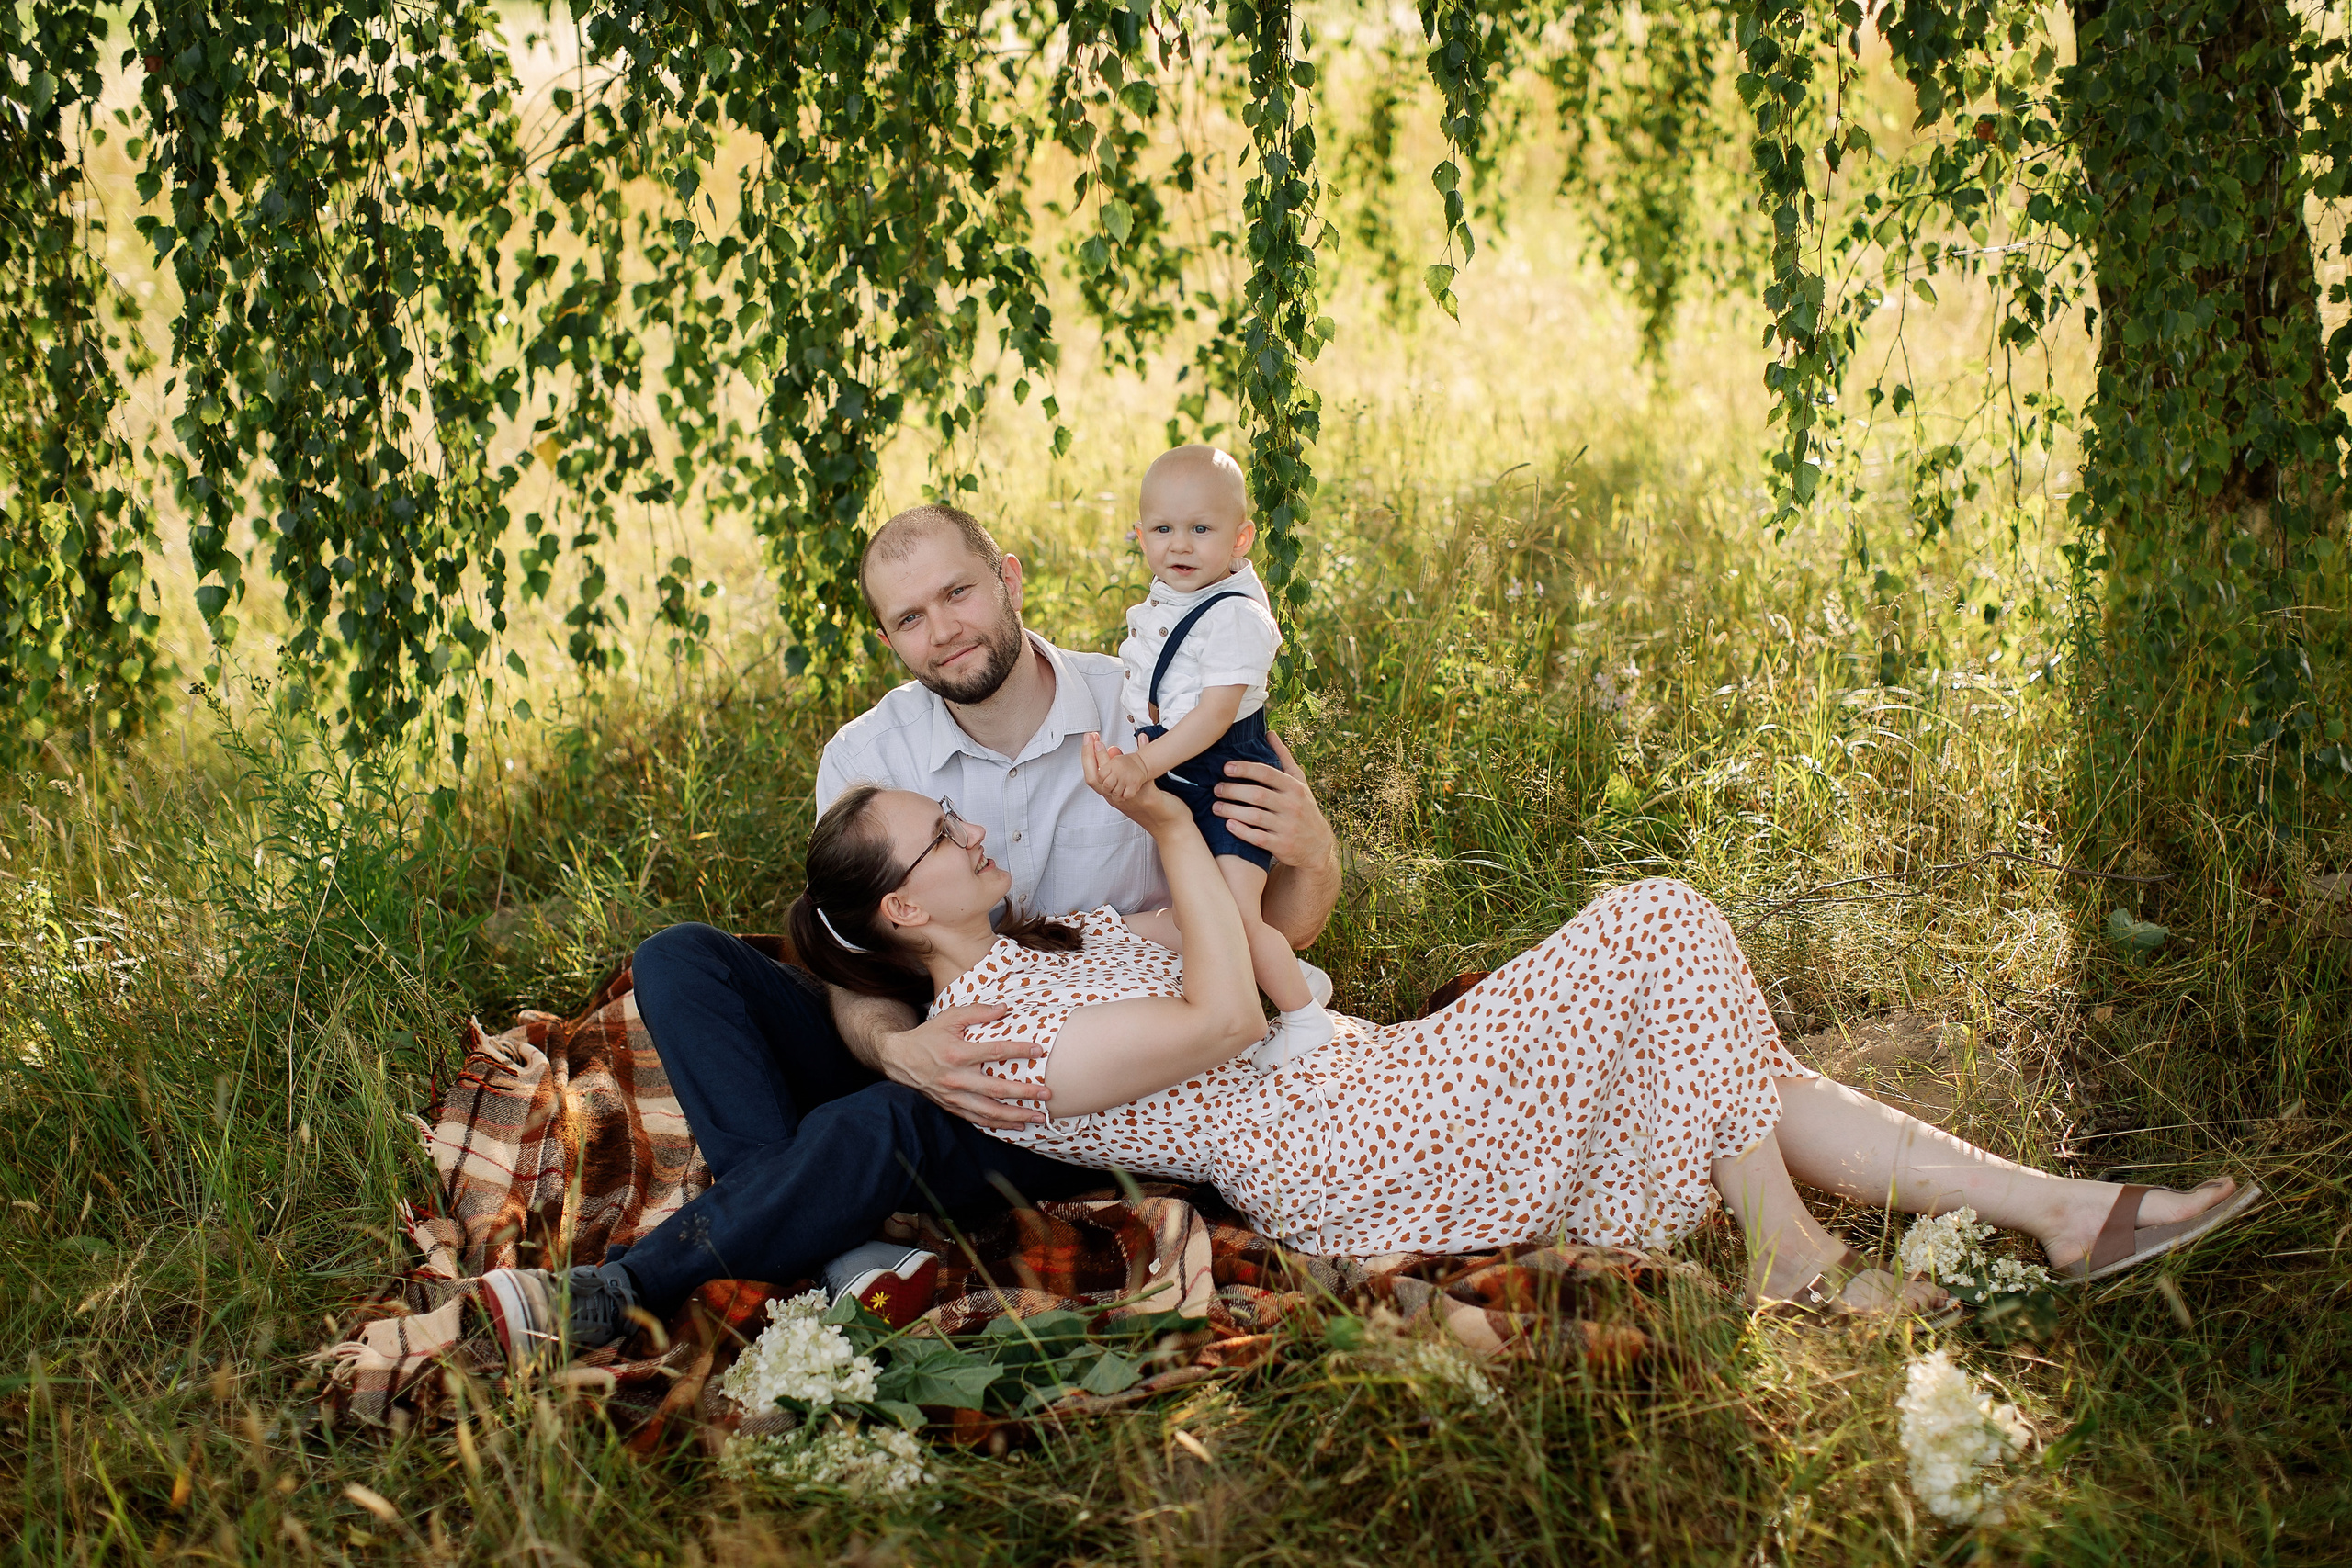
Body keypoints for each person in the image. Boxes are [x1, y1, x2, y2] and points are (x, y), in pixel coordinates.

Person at [787, 752, 2261, 1319]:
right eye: (943, 831)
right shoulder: (989, 1046)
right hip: (1350, 1153)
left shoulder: (1059, 940)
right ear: (907, 906)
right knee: (1663, 921)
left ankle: (2067, 1213)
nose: (978, 826)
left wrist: (1258, 854)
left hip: (1364, 1074)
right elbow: (1231, 1006)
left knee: (1728, 1057)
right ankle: (1796, 1261)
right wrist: (1168, 828)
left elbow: (1273, 961)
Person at [476, 503, 1345, 1359]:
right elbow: (856, 964)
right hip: (933, 1029)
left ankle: (675, 1270)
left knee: (882, 1123)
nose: (943, 630)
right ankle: (828, 1246)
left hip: (1077, 1077)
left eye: (958, 593)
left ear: (1009, 579)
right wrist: (902, 1049)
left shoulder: (1153, 713)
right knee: (680, 958)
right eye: (910, 617)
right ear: (890, 639)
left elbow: (1268, 932)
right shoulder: (866, 755)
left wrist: (1313, 853)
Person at [1092, 444, 1335, 1068]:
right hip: (1187, 774)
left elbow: (1211, 715)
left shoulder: (1235, 616)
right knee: (1202, 914)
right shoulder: (1172, 599)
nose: (1181, 545)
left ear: (1241, 538)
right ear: (1139, 535)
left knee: (1227, 916)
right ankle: (1295, 979)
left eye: (1201, 529)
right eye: (1163, 529)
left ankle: (1304, 1019)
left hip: (1225, 772)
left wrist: (1142, 765)